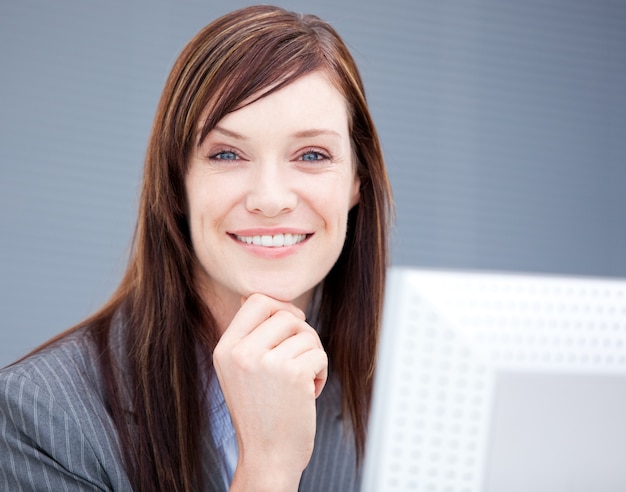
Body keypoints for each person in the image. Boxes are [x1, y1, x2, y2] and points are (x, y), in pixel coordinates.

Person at [0, 5, 392, 491]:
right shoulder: (39, 417)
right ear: (176, 183)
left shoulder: (405, 402)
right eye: (227, 154)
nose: (270, 200)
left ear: (358, 181)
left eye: (311, 155)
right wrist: (268, 467)